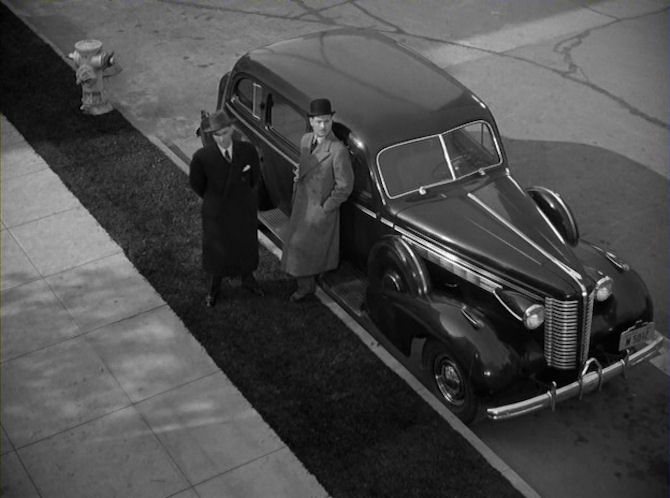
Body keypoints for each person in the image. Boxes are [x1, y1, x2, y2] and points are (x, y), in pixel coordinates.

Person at [281, 98, 354, 302]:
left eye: (327, 121)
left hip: (319, 210)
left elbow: (345, 186)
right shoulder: (305, 140)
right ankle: (307, 282)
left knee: (301, 249)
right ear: (311, 121)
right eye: (319, 121)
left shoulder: (338, 151)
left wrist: (326, 207)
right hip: (302, 205)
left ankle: (305, 287)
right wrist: (299, 175)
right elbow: (305, 164)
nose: (323, 126)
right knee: (303, 249)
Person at [189, 109, 263, 307]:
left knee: (244, 246)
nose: (222, 139)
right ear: (212, 136)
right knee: (217, 252)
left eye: (225, 133)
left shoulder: (247, 151)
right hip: (217, 214)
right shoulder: (202, 157)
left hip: (242, 210)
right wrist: (215, 199)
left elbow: (255, 177)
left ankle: (247, 278)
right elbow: (197, 184)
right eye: (217, 135)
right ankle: (214, 287)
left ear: (232, 129)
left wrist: (242, 197)